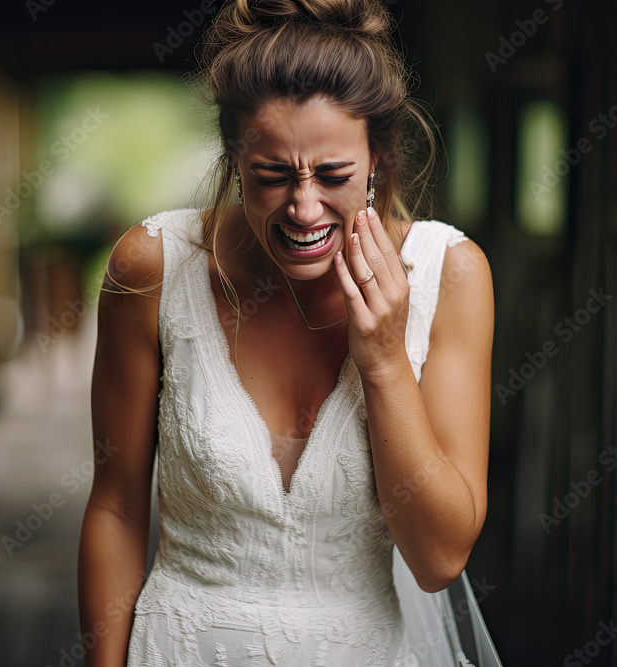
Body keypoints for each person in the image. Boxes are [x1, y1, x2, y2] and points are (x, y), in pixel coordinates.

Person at [78, 1, 497, 665]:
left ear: (378, 159)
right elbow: (117, 506)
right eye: (271, 175)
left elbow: (439, 557)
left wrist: (386, 360)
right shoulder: (154, 266)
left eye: (333, 176)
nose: (304, 208)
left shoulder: (452, 276)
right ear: (233, 157)